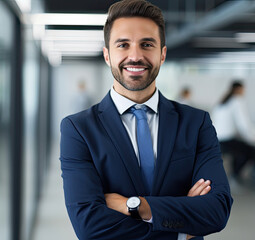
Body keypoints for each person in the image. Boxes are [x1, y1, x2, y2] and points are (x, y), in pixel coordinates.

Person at [60, 1, 233, 239]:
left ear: (162, 54)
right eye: (123, 45)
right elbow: (89, 226)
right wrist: (182, 231)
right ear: (107, 55)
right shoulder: (78, 129)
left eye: (147, 44)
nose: (135, 56)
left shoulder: (196, 123)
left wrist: (136, 206)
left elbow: (217, 211)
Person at [212, 81, 255, 183]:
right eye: (243, 89)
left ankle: (234, 175)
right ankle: (235, 175)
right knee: (249, 151)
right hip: (225, 139)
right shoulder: (237, 100)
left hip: (216, 139)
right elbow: (243, 123)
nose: (244, 92)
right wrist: (252, 138)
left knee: (239, 149)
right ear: (239, 89)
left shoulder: (223, 101)